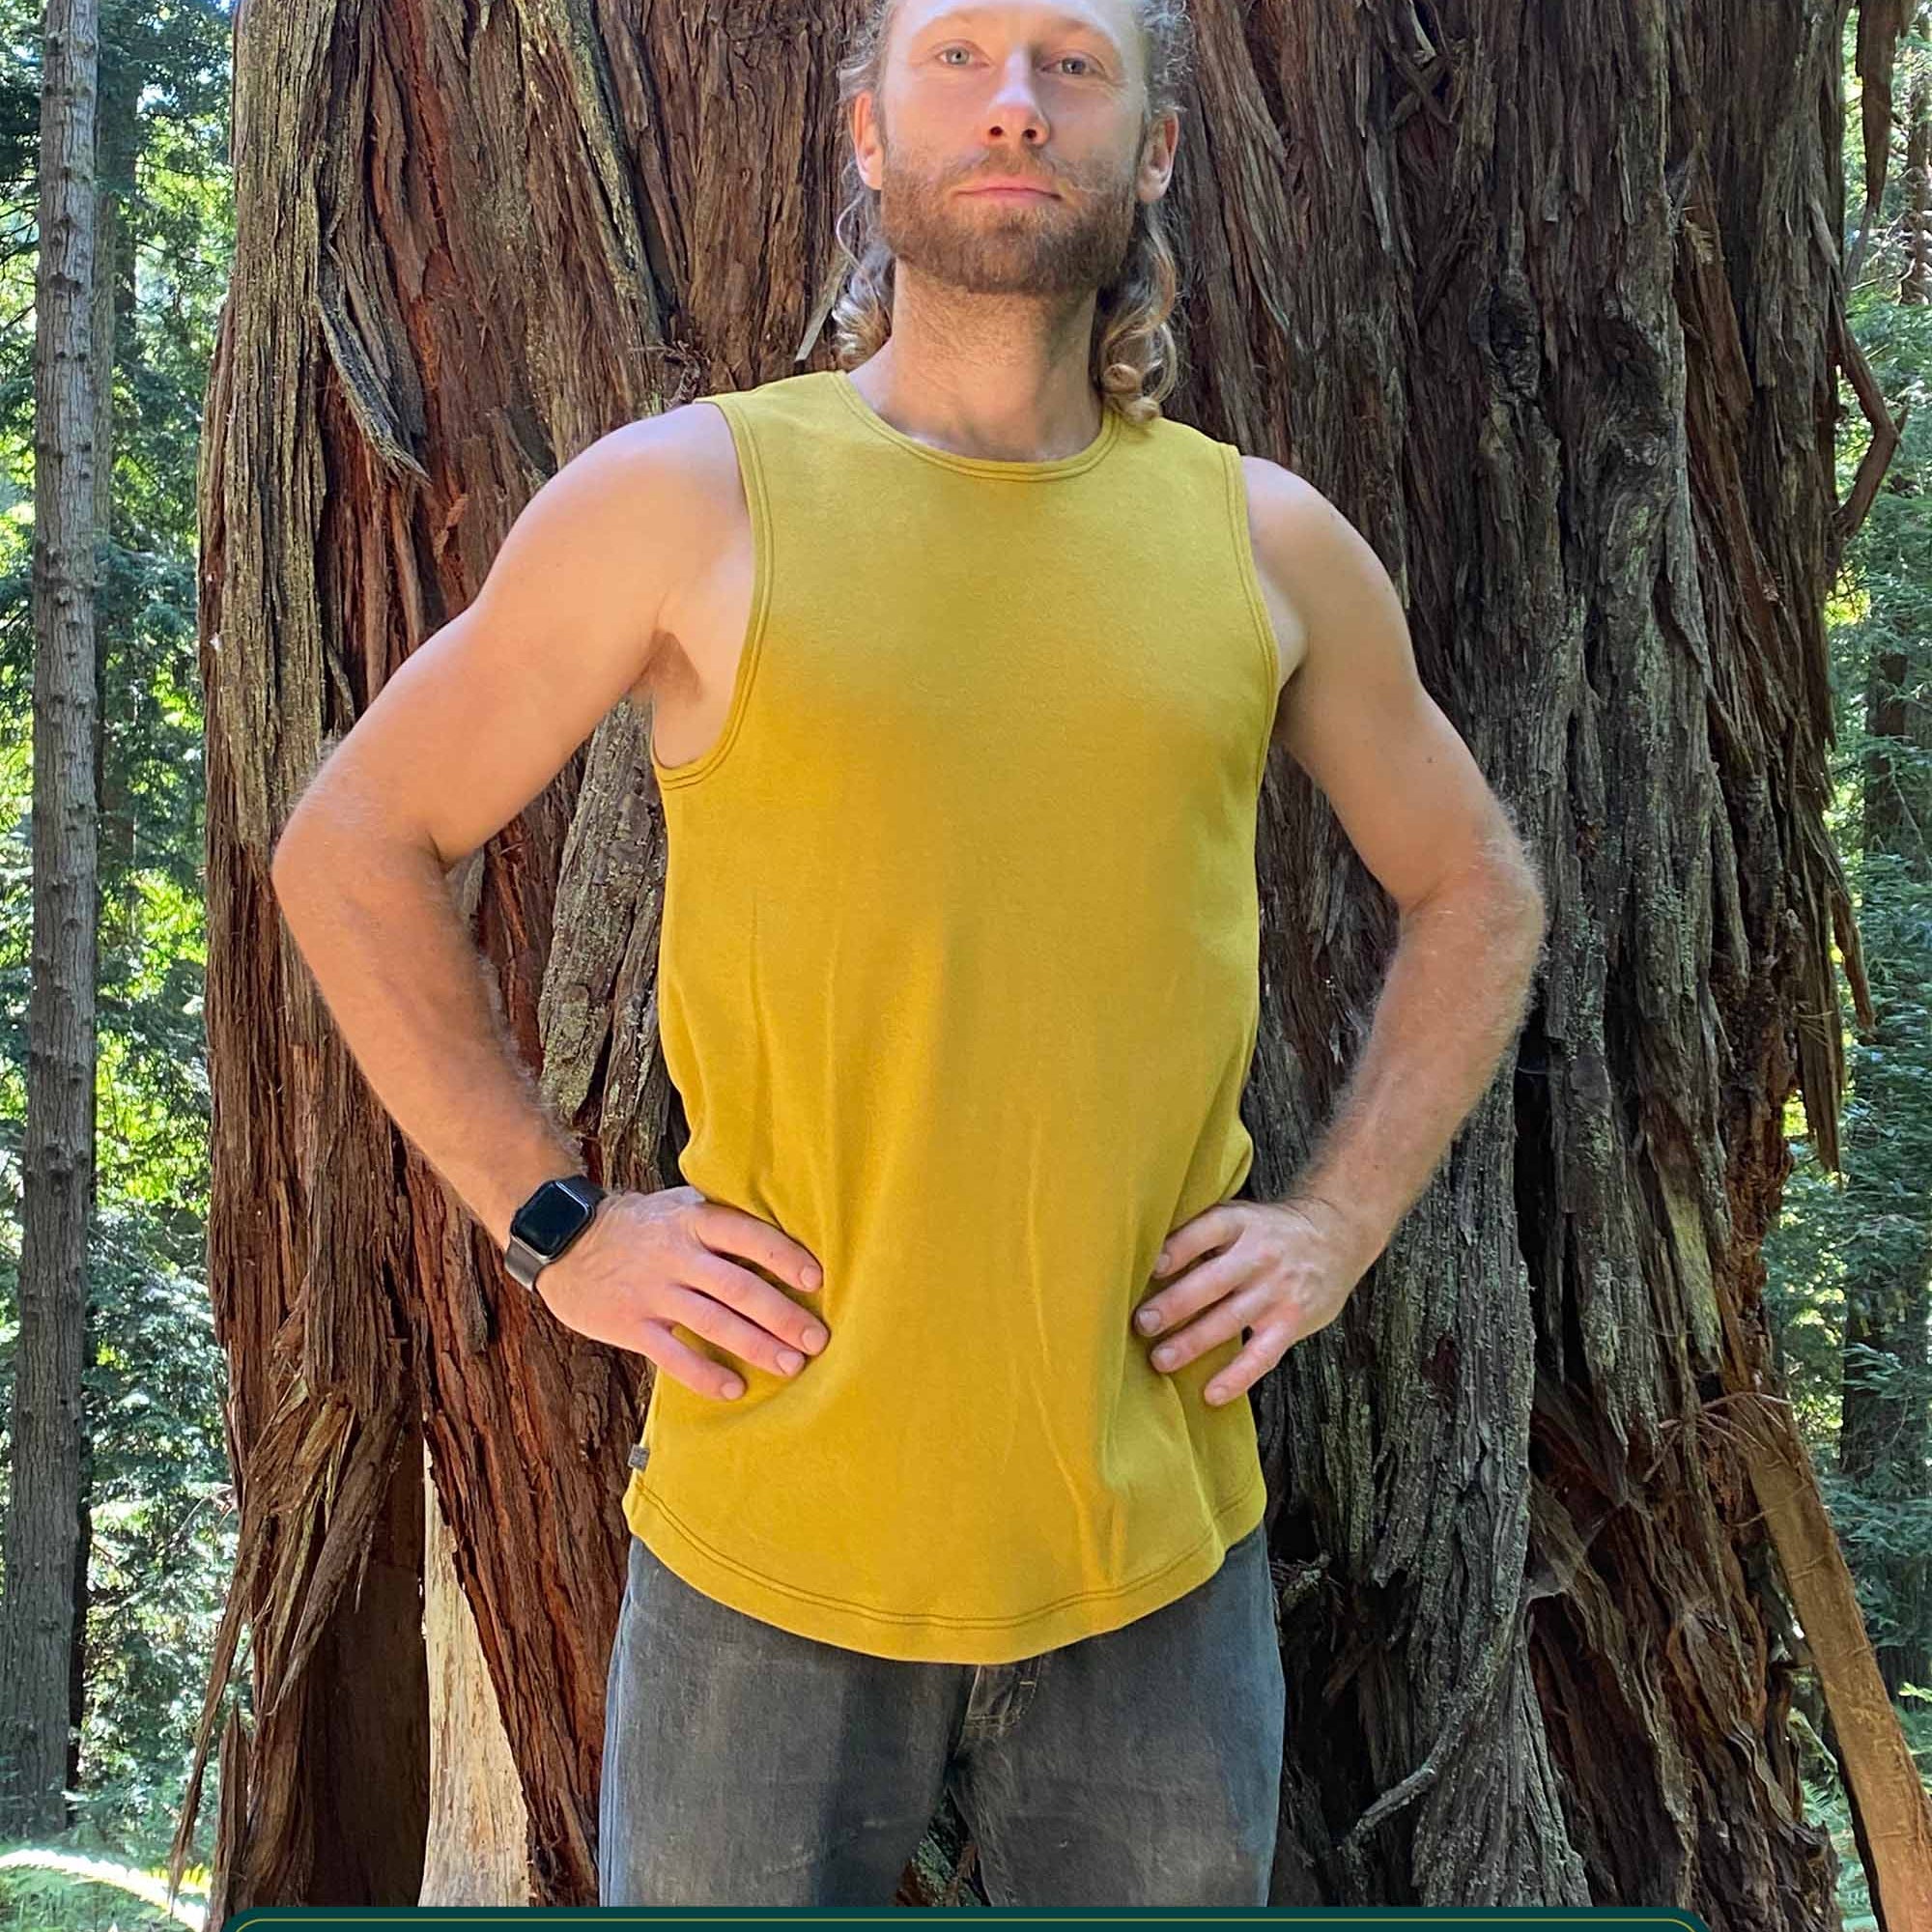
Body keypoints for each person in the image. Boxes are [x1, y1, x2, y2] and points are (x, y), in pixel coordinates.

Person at [270, 0, 1547, 1907]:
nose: (1013, 102)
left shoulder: (1266, 549)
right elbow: (353, 840)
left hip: (1152, 1559)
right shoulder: (686, 498)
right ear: (866, 134)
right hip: (763, 1550)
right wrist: (558, 1227)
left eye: (1073, 62)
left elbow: (1477, 887)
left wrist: (1335, 1223)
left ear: (1156, 152)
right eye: (957, 57)